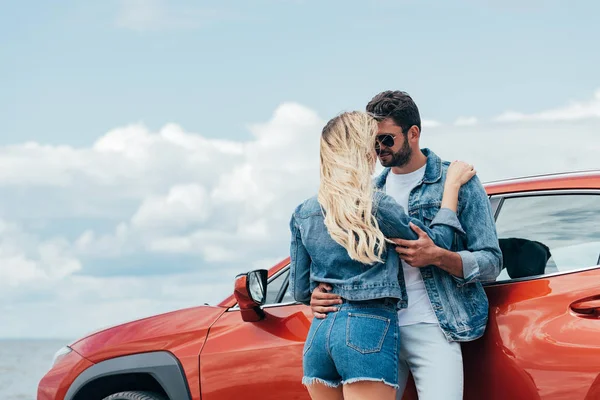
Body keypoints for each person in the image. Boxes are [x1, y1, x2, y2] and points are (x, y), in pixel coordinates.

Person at [310, 91, 503, 400]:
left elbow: (491, 261)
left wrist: (439, 257)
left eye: (387, 140)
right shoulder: (369, 192)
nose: (378, 149)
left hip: (434, 326)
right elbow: (339, 263)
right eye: (372, 142)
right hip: (374, 330)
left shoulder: (454, 180)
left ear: (413, 134)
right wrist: (316, 293)